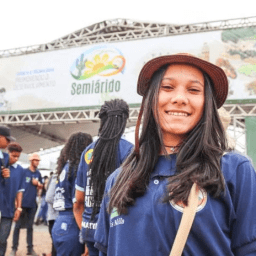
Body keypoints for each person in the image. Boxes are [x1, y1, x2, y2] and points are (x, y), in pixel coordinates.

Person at [94, 54, 256, 256]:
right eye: (167, 87)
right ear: (151, 98)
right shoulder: (117, 180)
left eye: (194, 90)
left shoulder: (234, 170)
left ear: (207, 104)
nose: (179, 98)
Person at [74, 99, 133, 256]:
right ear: (124, 121)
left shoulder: (87, 152)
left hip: (89, 230)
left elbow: (78, 202)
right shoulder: (129, 151)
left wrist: (85, 232)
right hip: (114, 231)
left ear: (102, 120)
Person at [52, 132, 93, 256]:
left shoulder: (66, 168)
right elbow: (78, 205)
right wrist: (86, 237)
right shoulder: (78, 169)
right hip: (73, 223)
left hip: (60, 221)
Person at [10, 153, 43, 256]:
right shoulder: (24, 172)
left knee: (30, 228)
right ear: (31, 161)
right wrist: (17, 203)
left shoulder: (38, 174)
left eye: (38, 161)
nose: (37, 162)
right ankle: (14, 249)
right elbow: (17, 186)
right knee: (17, 227)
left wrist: (38, 184)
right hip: (22, 204)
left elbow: (41, 186)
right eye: (35, 160)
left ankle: (30, 249)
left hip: (32, 205)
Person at [45, 171, 58, 256]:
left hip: (53, 218)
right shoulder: (56, 176)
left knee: (55, 246)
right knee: (56, 247)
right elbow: (49, 197)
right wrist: (64, 205)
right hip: (55, 218)